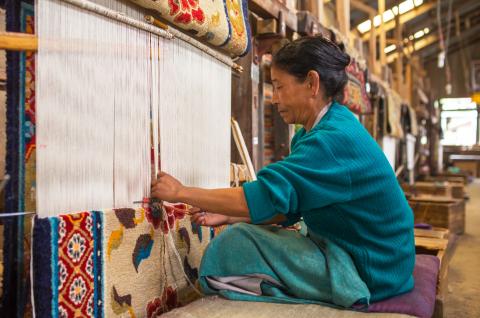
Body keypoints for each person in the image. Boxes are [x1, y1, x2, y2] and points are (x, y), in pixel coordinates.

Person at [151, 36, 415, 308]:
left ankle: (283, 287)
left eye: (279, 87)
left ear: (312, 83)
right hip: (380, 258)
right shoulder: (323, 129)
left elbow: (266, 195)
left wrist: (180, 192)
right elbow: (292, 204)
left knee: (232, 246)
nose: (274, 98)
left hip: (371, 271)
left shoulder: (331, 141)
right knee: (243, 232)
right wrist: (231, 215)